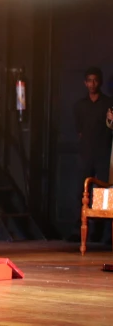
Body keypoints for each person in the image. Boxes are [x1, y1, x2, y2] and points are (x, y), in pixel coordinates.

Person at [74, 67, 112, 242]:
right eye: (89, 80)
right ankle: (81, 229)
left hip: (103, 153)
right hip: (86, 153)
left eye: (95, 80)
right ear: (84, 83)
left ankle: (100, 233)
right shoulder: (80, 105)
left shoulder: (108, 103)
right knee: (83, 191)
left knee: (103, 192)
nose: (92, 84)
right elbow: (79, 130)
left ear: (100, 82)